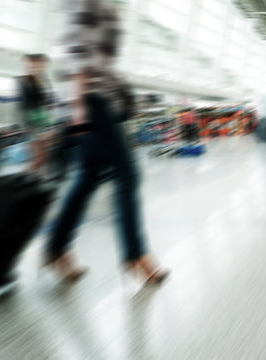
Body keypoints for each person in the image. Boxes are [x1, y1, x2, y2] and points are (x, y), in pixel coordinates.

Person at [46, 0, 168, 284]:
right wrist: (77, 106)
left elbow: (99, 58)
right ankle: (135, 256)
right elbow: (78, 52)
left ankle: (56, 248)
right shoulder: (85, 3)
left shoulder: (99, 5)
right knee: (128, 176)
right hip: (91, 102)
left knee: (87, 178)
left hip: (96, 100)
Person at [17, 54, 55, 175]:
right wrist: (24, 126)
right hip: (32, 121)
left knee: (44, 156)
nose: (40, 66)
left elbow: (46, 102)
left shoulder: (43, 80)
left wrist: (50, 118)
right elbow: (23, 104)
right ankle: (22, 178)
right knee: (39, 157)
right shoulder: (23, 80)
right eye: (36, 63)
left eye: (43, 64)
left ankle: (31, 179)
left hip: (43, 120)